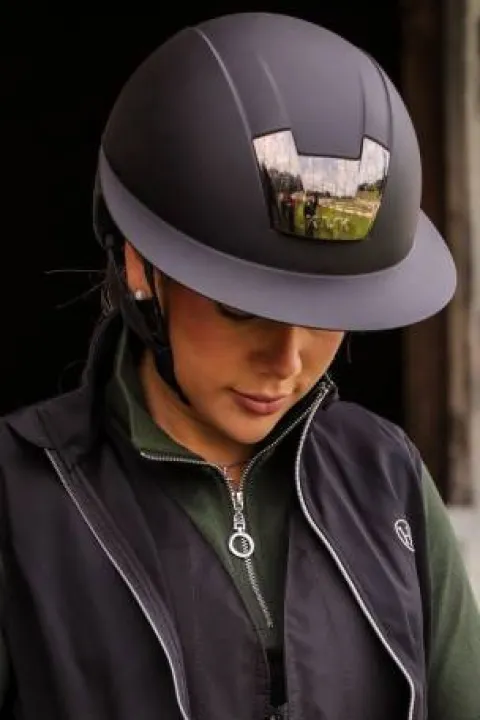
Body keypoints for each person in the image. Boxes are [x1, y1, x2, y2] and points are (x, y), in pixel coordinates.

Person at [0, 11, 479, 720]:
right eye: (240, 309)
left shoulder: (386, 479)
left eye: (325, 312)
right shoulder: (19, 500)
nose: (286, 362)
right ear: (140, 264)